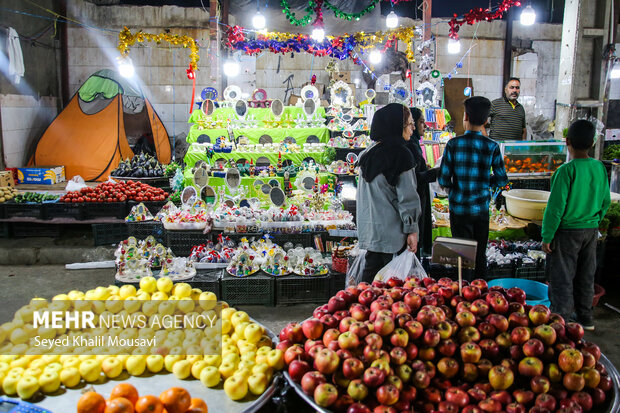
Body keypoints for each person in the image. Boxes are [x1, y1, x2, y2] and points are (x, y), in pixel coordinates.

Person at [541, 120, 611, 331]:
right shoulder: (599, 167)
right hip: (590, 231)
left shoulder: (566, 171)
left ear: (567, 141)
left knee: (562, 275)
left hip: (567, 232)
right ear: (592, 143)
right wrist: (595, 221)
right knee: (586, 274)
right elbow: (605, 201)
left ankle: (560, 320)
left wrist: (547, 236)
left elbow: (555, 208)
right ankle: (586, 317)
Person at [437, 96, 508, 280]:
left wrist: (455, 186)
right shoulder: (492, 146)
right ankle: (480, 295)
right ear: (486, 120)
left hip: (459, 210)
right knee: (479, 256)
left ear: (465, 116)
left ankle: (462, 295)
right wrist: (485, 182)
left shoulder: (453, 144)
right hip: (481, 212)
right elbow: (502, 180)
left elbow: (444, 179)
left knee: (461, 257)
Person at [357, 103, 421, 284]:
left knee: (369, 286)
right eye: (409, 124)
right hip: (394, 236)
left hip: (371, 233)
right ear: (396, 126)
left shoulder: (367, 154)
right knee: (392, 289)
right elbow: (407, 198)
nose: (413, 128)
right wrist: (412, 230)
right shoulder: (401, 155)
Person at [407, 107, 438, 257]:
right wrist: (436, 172)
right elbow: (412, 179)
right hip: (414, 201)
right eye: (420, 122)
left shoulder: (413, 145)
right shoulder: (409, 146)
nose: (422, 126)